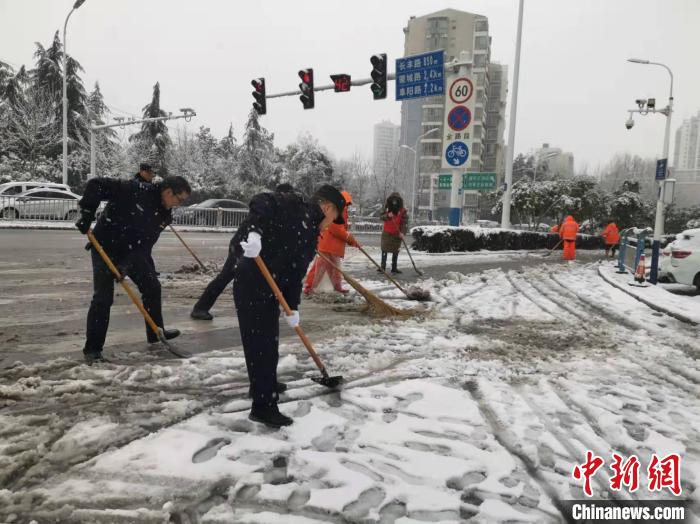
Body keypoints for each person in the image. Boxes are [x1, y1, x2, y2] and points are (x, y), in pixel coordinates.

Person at [232, 184, 345, 428]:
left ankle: (263, 386)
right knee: (261, 345)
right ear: (328, 208)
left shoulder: (310, 234)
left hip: (269, 287)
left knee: (266, 343)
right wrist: (254, 233)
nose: (329, 226)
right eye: (333, 219)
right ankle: (263, 407)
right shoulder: (295, 206)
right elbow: (261, 200)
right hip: (252, 282)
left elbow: (295, 274)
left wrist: (292, 308)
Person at [75, 176, 192, 364]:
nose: (179, 204)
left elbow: (145, 245)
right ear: (169, 192)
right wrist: (87, 213)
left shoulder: (164, 215)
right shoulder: (134, 189)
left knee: (152, 287)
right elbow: (95, 184)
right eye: (180, 199)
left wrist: (126, 266)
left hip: (132, 251)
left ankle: (156, 332)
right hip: (105, 245)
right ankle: (93, 349)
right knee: (103, 298)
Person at [190, 184, 296, 320]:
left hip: (256, 250)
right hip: (242, 245)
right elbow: (256, 222)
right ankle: (200, 308)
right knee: (227, 275)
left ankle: (256, 310)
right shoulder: (267, 207)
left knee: (255, 279)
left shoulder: (280, 211)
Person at [303, 190, 358, 295]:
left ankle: (337, 286)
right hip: (328, 244)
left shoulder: (341, 210)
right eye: (348, 203)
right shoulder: (337, 210)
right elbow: (337, 229)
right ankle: (310, 287)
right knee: (320, 268)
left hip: (332, 245)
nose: (348, 206)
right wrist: (350, 239)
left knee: (334, 268)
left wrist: (351, 240)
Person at [380, 192, 408, 274]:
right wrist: (388, 216)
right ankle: (382, 267)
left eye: (396, 200)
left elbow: (404, 222)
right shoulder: (386, 208)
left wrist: (402, 232)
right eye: (393, 199)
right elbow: (381, 216)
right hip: (387, 233)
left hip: (397, 234)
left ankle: (394, 268)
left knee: (396, 251)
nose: (394, 201)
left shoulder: (403, 210)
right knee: (384, 250)